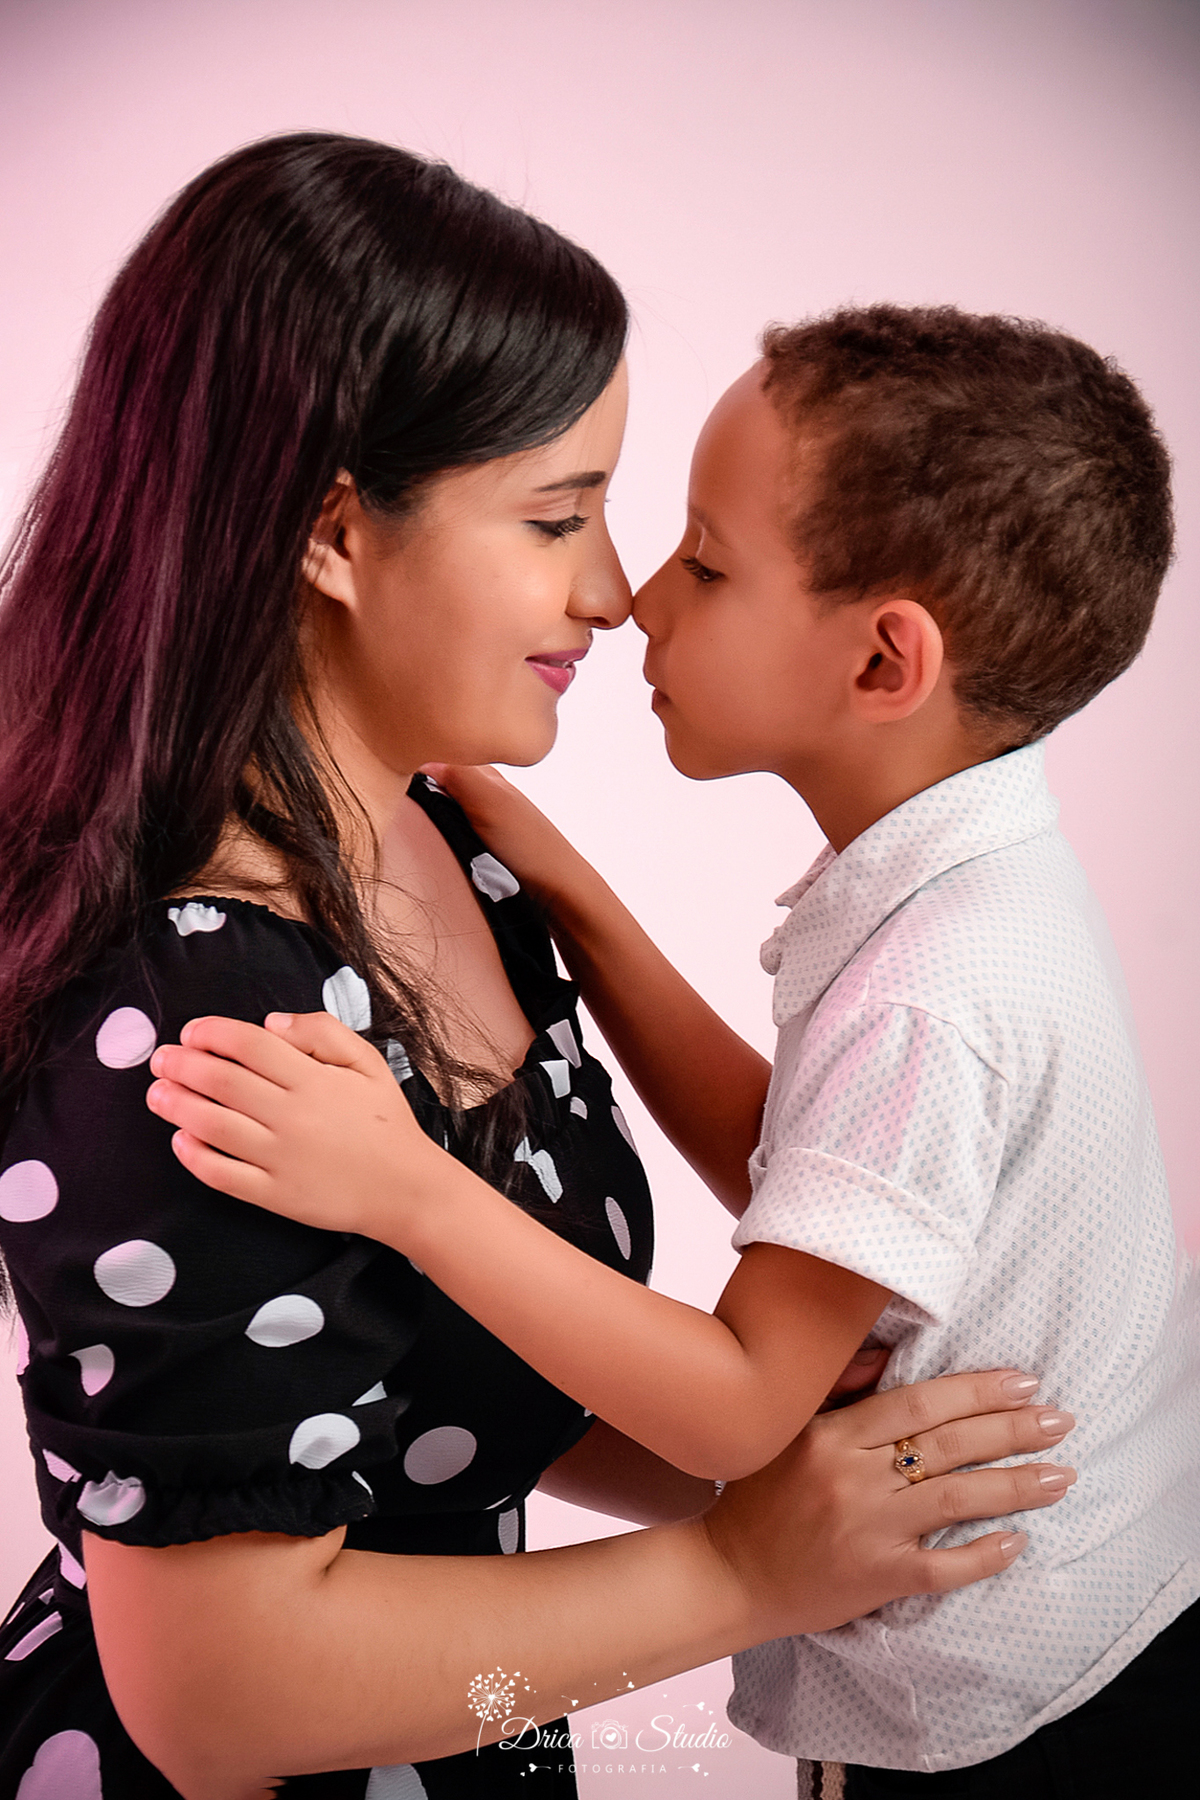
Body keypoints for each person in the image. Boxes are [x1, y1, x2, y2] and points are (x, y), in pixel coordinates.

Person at [0, 138, 1074, 1800]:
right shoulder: (199, 1009)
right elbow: (218, 1705)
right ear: (334, 531)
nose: (614, 590)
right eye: (558, 515)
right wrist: (745, 1570)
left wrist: (796, 1461)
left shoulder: (451, 842)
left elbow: (440, 1363)